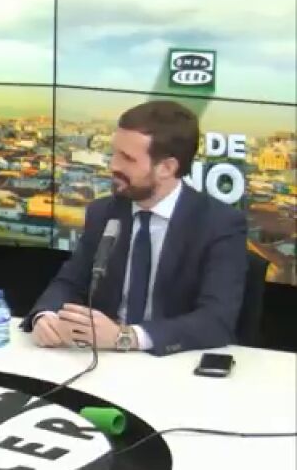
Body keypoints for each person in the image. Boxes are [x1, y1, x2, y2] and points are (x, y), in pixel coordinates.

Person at [24, 100, 248, 356]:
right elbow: (69, 282)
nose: (113, 166)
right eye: (115, 153)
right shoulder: (103, 212)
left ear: (167, 168)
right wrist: (46, 315)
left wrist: (126, 337)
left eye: (128, 158)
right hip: (102, 359)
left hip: (172, 362)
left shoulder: (219, 224)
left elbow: (215, 321)